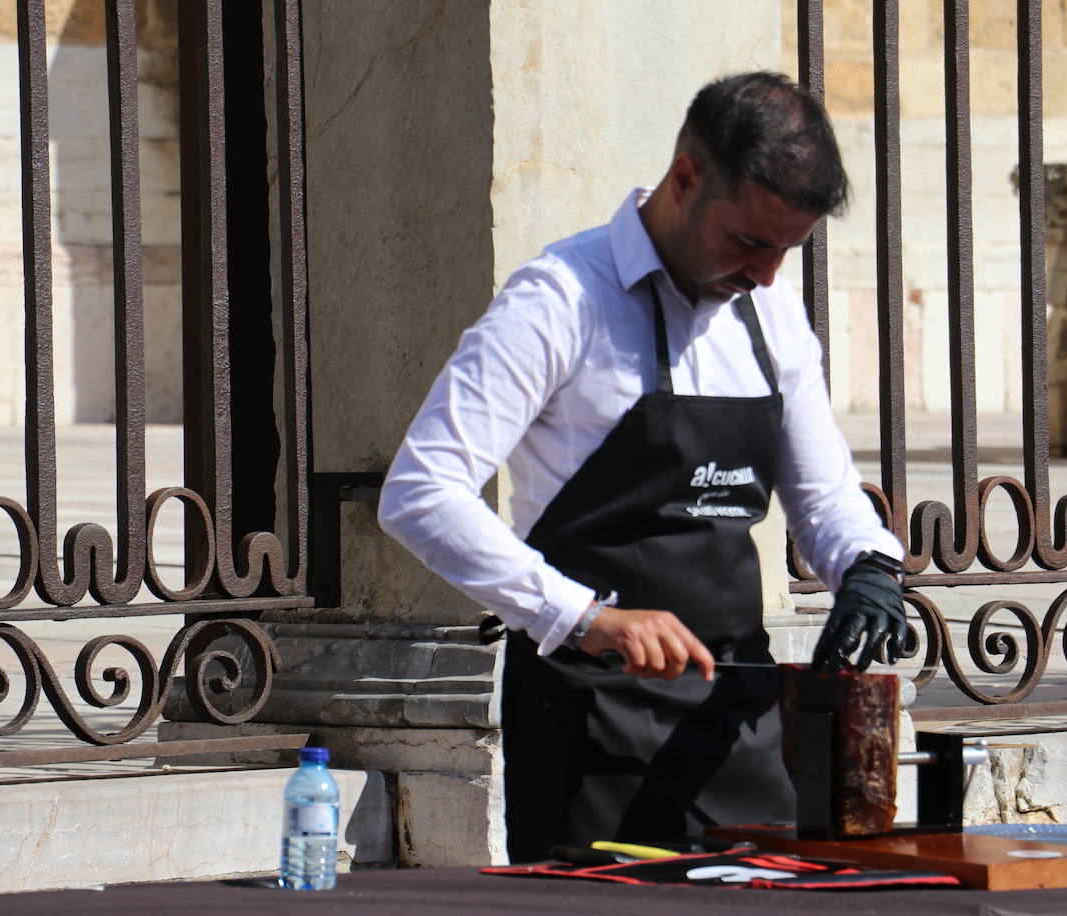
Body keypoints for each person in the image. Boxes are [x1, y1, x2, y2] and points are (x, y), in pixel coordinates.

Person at [378, 71, 906, 862]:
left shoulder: (772, 311)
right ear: (686, 179)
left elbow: (823, 490)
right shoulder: (557, 301)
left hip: (738, 724)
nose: (765, 276)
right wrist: (584, 617)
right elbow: (421, 493)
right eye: (751, 243)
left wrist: (867, 565)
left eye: (787, 252)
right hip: (590, 723)